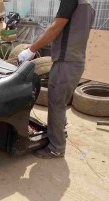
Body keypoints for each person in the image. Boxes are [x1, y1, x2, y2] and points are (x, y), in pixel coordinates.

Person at [18, 0, 95, 159]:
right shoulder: (88, 3)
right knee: (61, 102)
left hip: (66, 61)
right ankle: (60, 134)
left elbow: (56, 28)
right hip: (75, 61)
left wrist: (32, 49)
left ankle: (56, 147)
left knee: (56, 103)